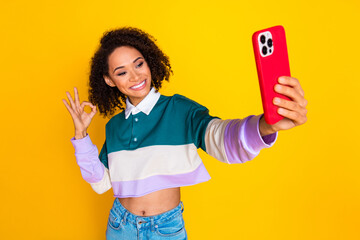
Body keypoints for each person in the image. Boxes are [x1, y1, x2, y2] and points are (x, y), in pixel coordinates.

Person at [62, 27, 307, 240]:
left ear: (149, 62)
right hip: (120, 225)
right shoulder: (114, 126)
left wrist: (265, 126)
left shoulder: (179, 110)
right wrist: (81, 135)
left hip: (165, 228)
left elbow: (219, 136)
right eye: (122, 71)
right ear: (109, 80)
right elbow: (101, 183)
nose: (136, 76)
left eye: (139, 64)